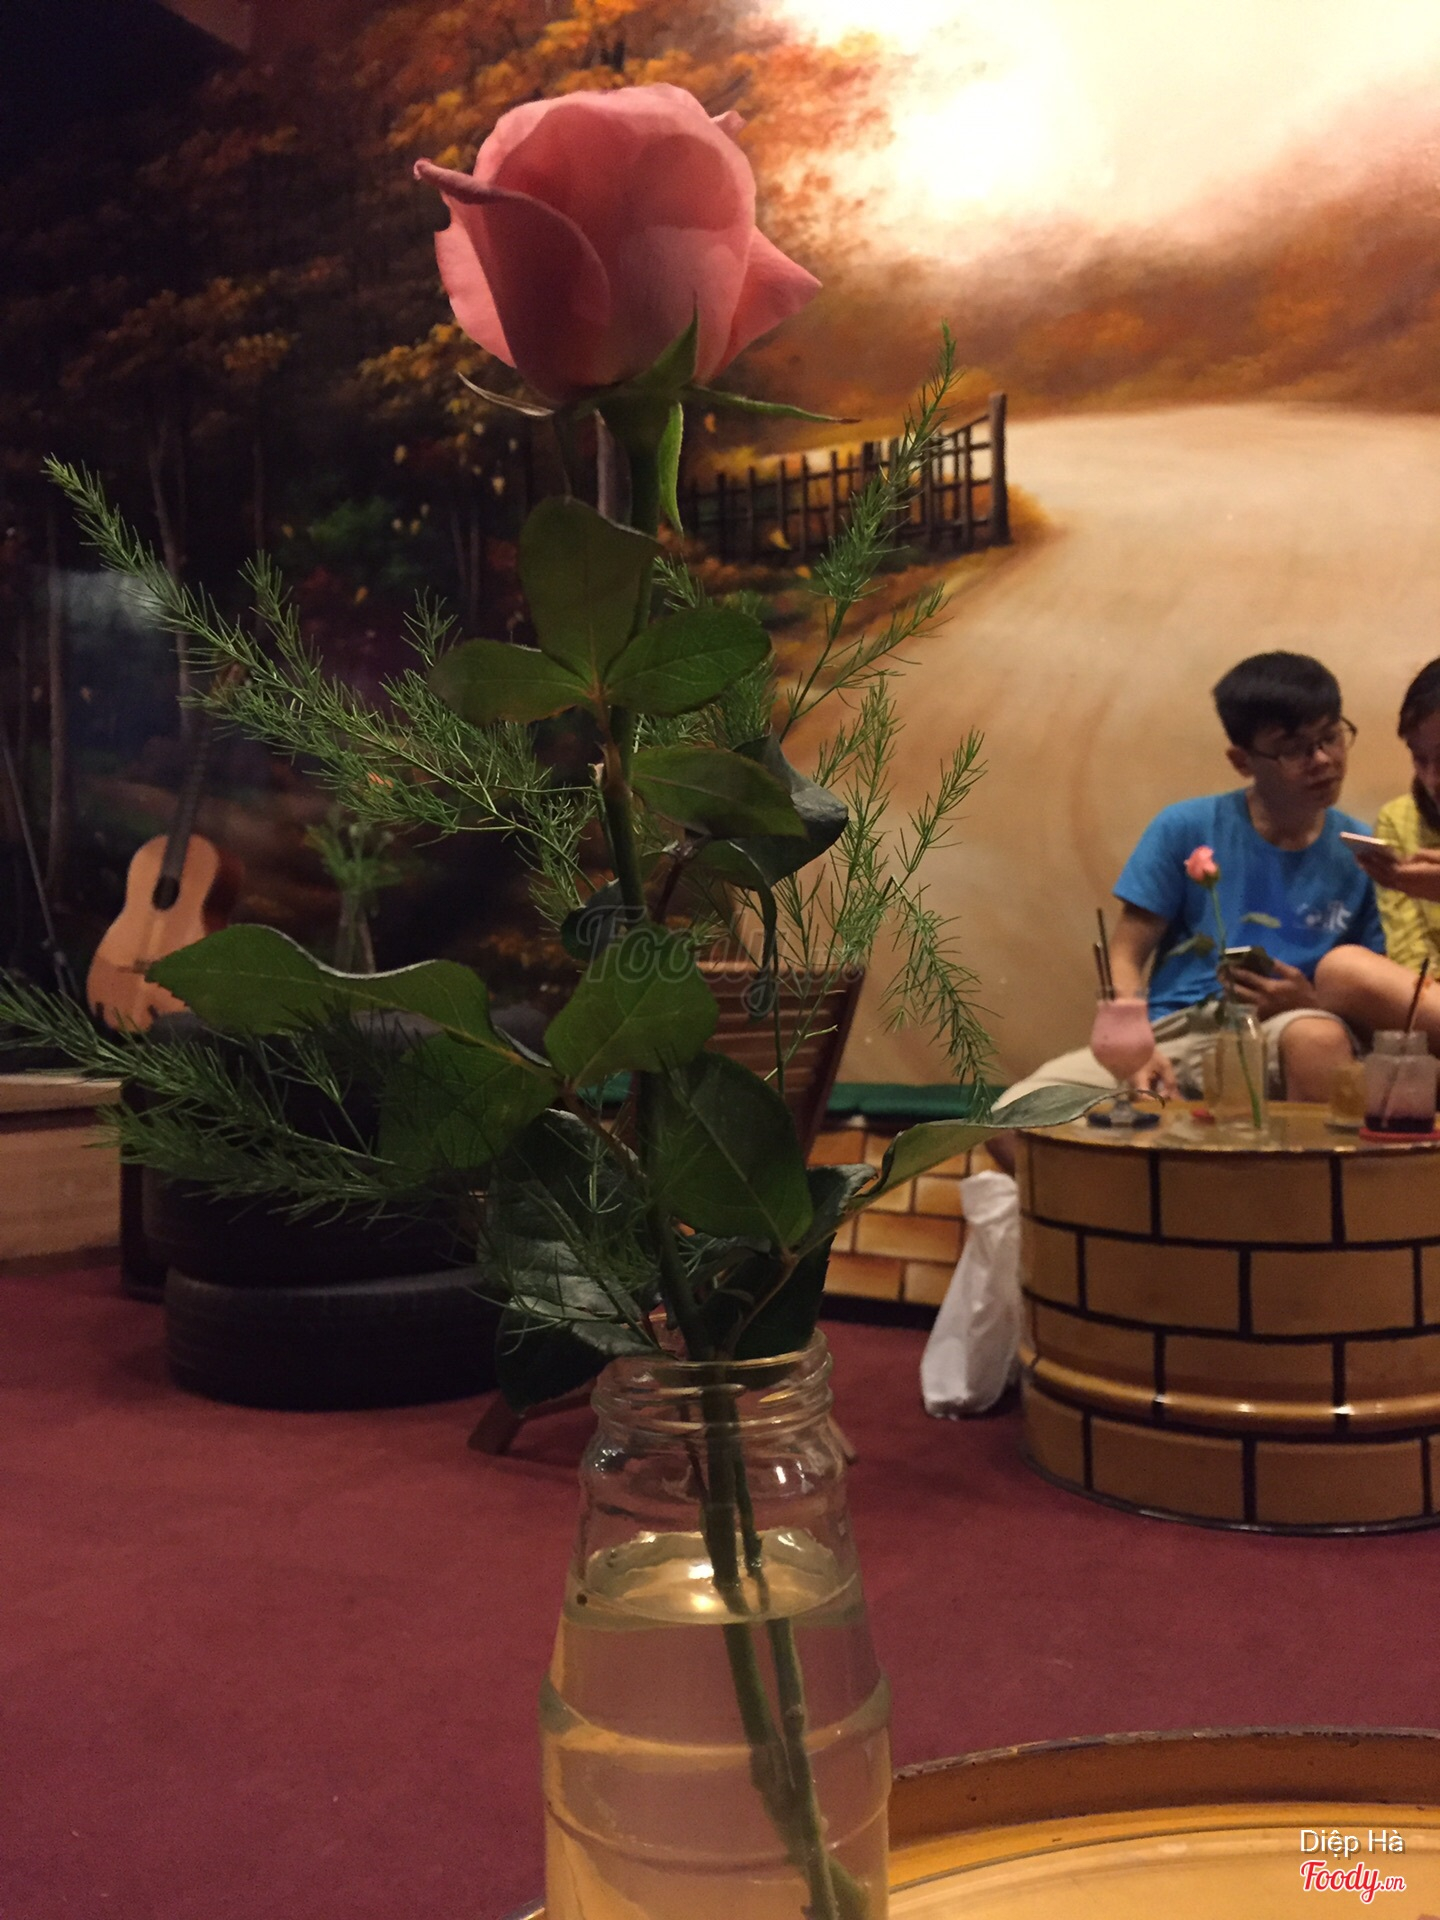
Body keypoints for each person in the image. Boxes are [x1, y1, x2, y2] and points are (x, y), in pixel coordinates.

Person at [1004, 651, 1385, 1110]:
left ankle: (1303, 1161)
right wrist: (1133, 1043)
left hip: (1288, 1030)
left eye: (1331, 737)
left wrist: (1312, 1002)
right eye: (1293, 749)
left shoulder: (1363, 851)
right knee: (1015, 1114)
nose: (1322, 760)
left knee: (1318, 1039)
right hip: (1179, 1032)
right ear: (1242, 760)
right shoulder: (1185, 826)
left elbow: (1372, 995)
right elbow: (1125, 953)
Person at [1314, 657, 1440, 1041]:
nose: (1432, 778)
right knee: (1342, 970)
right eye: (1420, 758)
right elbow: (1413, 963)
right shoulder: (1401, 821)